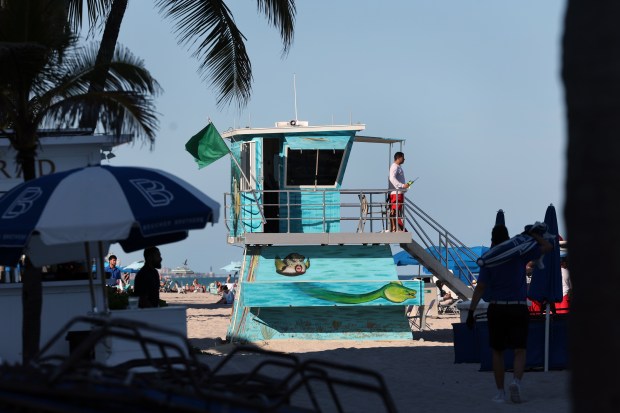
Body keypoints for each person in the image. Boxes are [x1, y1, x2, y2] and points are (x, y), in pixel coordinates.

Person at [467, 224, 552, 404]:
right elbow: (548, 247)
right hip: (518, 307)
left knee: (497, 352)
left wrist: (471, 311)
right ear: (508, 239)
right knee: (519, 350)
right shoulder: (519, 254)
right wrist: (533, 235)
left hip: (497, 308)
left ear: (492, 240)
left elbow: (480, 288)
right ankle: (516, 381)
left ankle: (500, 393)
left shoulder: (490, 259)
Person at [388, 152, 410, 232]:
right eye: (403, 157)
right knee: (395, 211)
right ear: (399, 158)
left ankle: (396, 227)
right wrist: (401, 185)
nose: (404, 159)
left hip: (398, 193)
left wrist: (404, 186)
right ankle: (400, 228)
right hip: (396, 193)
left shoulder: (397, 167)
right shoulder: (394, 166)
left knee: (396, 211)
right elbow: (392, 178)